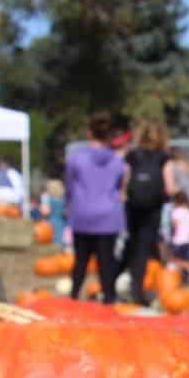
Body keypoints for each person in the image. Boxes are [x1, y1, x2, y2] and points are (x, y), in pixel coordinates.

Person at [66, 113, 127, 304]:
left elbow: (69, 187)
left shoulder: (76, 159)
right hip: (108, 218)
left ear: (89, 132)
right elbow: (120, 189)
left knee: (81, 262)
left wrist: (70, 207)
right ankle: (109, 301)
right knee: (106, 264)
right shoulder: (118, 162)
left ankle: (74, 297)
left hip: (82, 215)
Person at [121, 121, 170, 305]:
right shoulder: (163, 158)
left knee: (131, 245)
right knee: (143, 248)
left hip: (133, 207)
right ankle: (137, 290)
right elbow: (170, 186)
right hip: (153, 208)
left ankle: (112, 282)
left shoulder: (132, 156)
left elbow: (124, 184)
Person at [166, 191, 189, 273]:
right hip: (188, 241)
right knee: (185, 258)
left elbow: (173, 226)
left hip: (177, 241)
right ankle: (185, 275)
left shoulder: (176, 212)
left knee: (173, 259)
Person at [38, 178, 67, 242]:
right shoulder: (63, 198)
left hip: (50, 223)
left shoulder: (46, 197)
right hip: (62, 223)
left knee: (53, 242)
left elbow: (45, 212)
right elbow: (66, 211)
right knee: (62, 242)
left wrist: (40, 209)